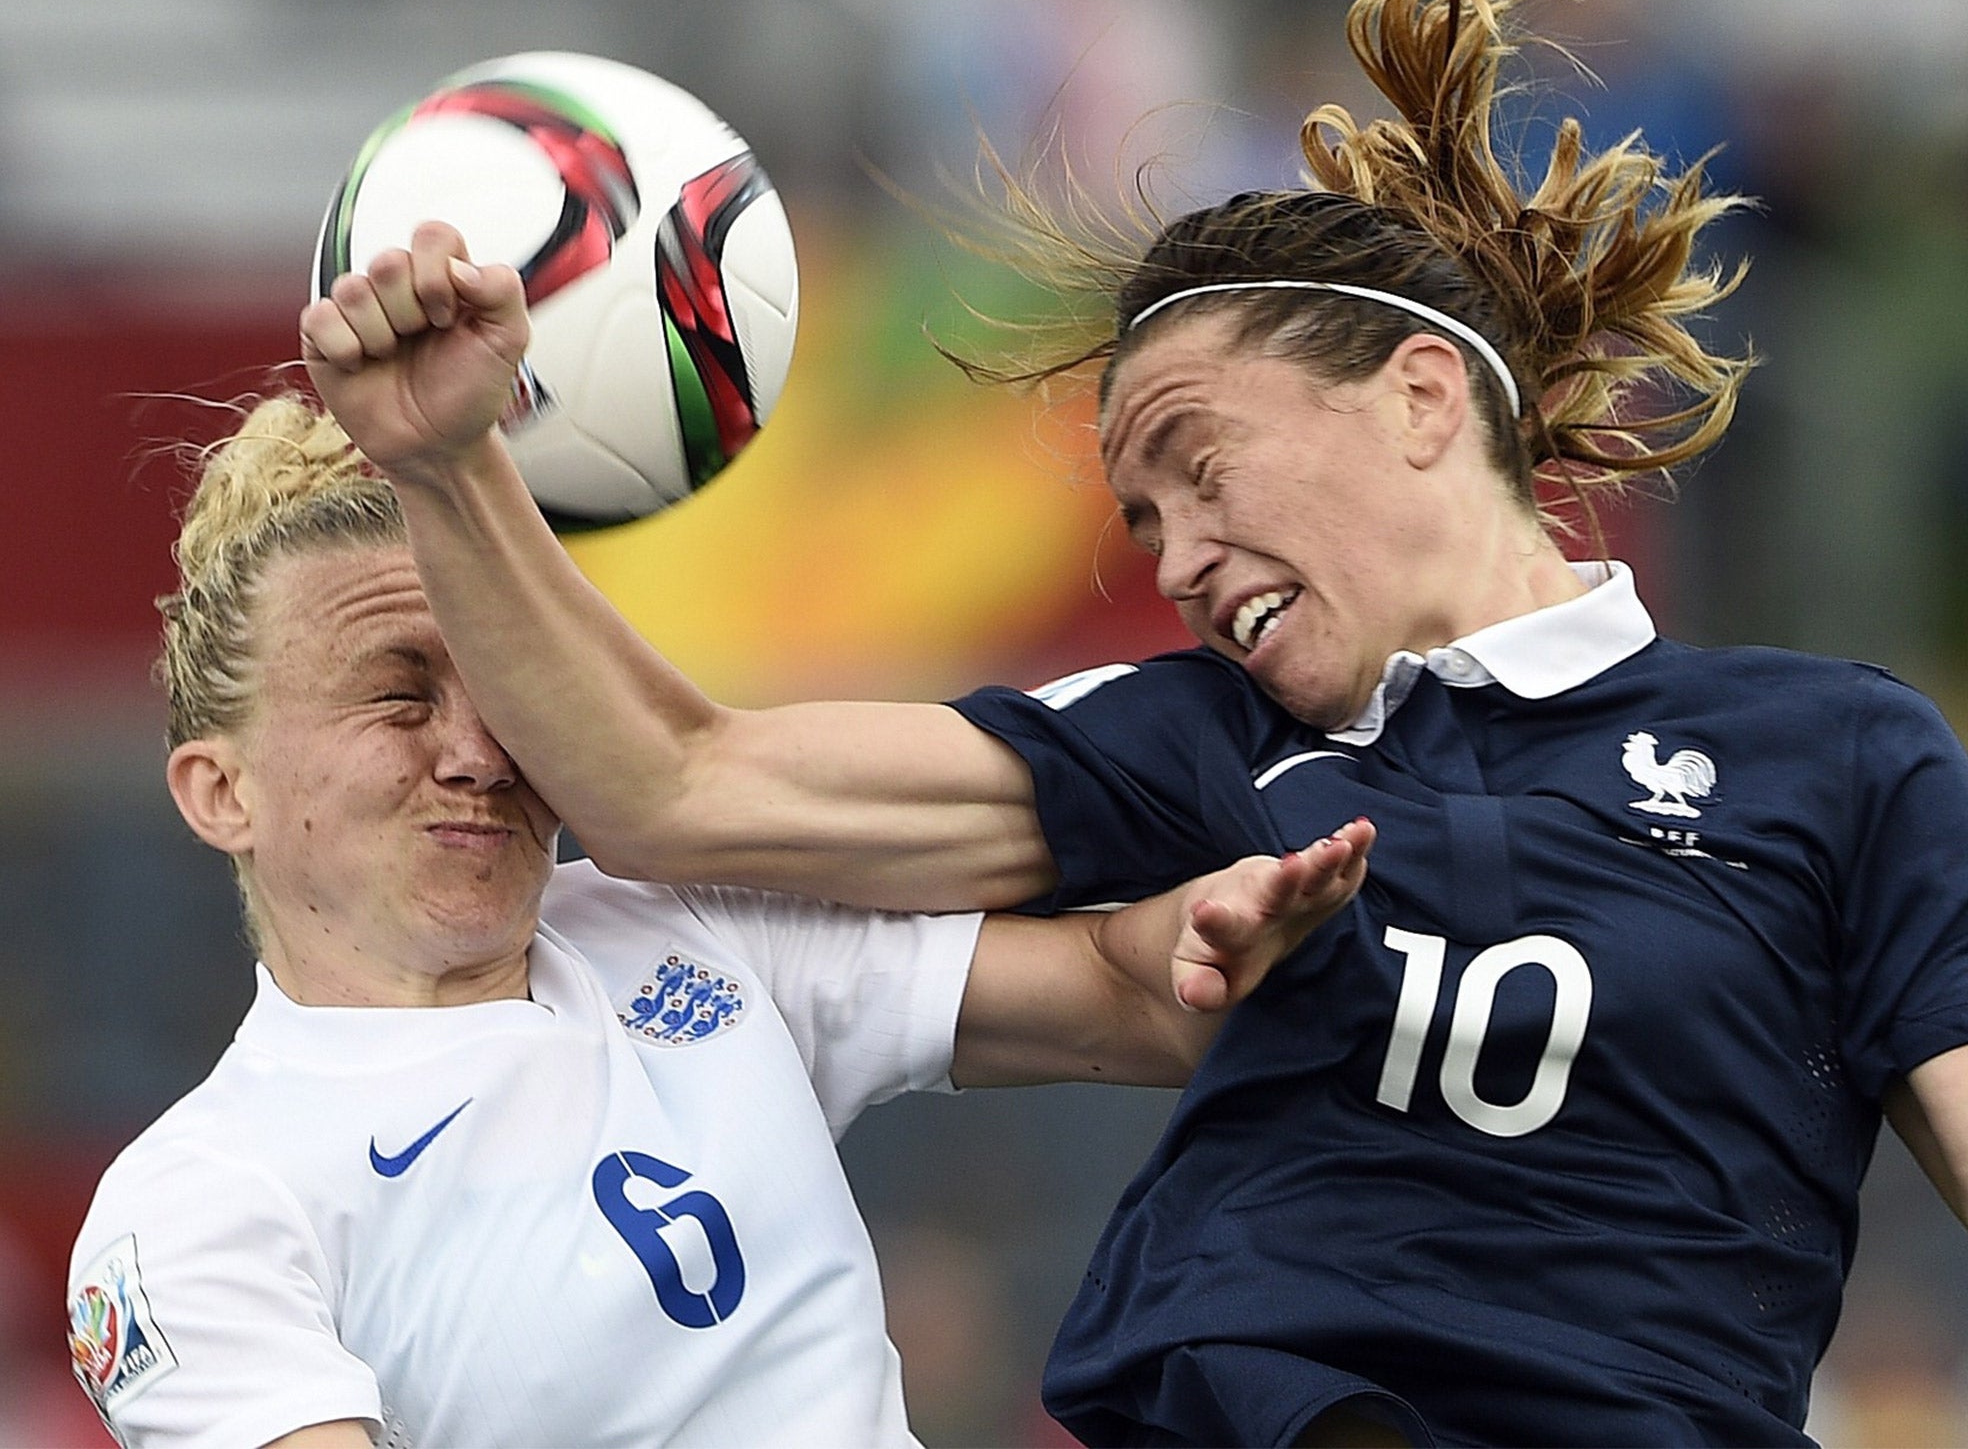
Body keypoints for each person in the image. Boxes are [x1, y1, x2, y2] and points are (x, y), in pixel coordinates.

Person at [298, 0, 1968, 1448]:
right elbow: (678, 788)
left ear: (1425, 400)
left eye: (1201, 466)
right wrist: (453, 471)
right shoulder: (1207, 739)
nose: (1182, 551)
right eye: (1143, 515)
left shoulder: (1839, 755)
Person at [63, 393, 1375, 1449]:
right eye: (399, 699)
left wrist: (1210, 941)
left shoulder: (684, 931)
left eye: (503, 690)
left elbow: (1136, 993)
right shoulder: (194, 1209)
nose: (477, 750)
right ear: (220, 790)